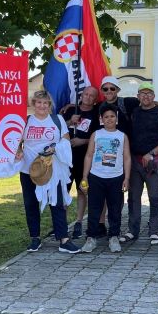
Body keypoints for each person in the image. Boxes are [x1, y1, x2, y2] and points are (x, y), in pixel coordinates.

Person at [16, 90, 80, 254]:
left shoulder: (57, 120)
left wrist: (55, 147)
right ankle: (35, 238)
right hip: (29, 170)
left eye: (45, 103)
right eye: (38, 102)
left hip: (52, 169)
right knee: (31, 204)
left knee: (57, 202)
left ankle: (63, 239)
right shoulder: (26, 121)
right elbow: (17, 141)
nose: (42, 106)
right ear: (33, 104)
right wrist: (19, 150)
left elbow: (65, 140)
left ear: (49, 105)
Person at [125, 82, 158, 245]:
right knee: (133, 197)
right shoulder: (134, 111)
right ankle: (133, 230)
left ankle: (154, 231)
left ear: (154, 96)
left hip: (154, 161)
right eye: (142, 93)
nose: (146, 96)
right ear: (138, 96)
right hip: (134, 161)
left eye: (149, 93)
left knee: (154, 196)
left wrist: (151, 154)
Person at [80, 104, 131, 253]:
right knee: (94, 208)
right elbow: (89, 155)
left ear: (116, 118)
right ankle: (91, 238)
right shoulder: (96, 134)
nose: (109, 119)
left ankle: (114, 237)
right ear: (101, 119)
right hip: (96, 176)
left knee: (115, 208)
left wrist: (126, 178)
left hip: (116, 177)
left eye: (112, 116)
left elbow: (127, 158)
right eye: (106, 117)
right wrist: (85, 176)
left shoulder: (122, 136)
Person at [62, 86, 100, 240]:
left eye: (92, 96)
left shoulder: (97, 114)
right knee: (64, 191)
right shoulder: (70, 110)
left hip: (84, 158)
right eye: (86, 94)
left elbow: (98, 136)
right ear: (81, 95)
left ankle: (78, 222)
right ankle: (61, 224)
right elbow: (57, 128)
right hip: (65, 159)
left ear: (95, 99)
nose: (88, 97)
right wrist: (70, 120)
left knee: (82, 190)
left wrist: (82, 141)